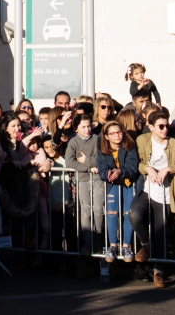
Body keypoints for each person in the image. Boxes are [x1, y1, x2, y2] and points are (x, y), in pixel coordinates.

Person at [130, 109, 175, 287]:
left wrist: (167, 169)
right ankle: (146, 244)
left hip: (166, 192)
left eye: (166, 125)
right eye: (160, 126)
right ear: (151, 127)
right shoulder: (142, 140)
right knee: (134, 214)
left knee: (161, 231)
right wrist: (148, 168)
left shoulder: (173, 143)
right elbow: (137, 162)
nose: (164, 129)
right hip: (148, 188)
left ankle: (159, 271)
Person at [65, 113, 103, 275]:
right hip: (83, 179)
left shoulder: (97, 139)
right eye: (83, 127)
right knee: (86, 210)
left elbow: (100, 159)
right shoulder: (73, 141)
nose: (87, 129)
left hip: (98, 180)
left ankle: (98, 241)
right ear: (76, 128)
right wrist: (88, 167)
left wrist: (86, 160)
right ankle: (87, 243)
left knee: (98, 210)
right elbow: (70, 161)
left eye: (89, 126)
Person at [97, 120, 139, 264]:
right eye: (113, 133)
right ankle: (112, 245)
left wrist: (121, 171)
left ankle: (126, 245)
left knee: (128, 213)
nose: (117, 136)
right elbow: (101, 169)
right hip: (112, 183)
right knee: (111, 213)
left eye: (119, 132)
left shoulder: (130, 146)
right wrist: (107, 174)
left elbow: (133, 167)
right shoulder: (102, 148)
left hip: (127, 182)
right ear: (106, 136)